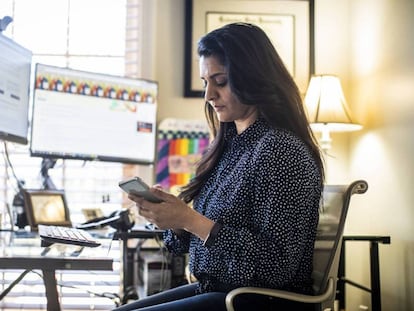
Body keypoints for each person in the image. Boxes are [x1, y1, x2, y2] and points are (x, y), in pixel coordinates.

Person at [113, 22, 324, 311]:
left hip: (257, 301)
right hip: (221, 291)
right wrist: (174, 220)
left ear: (254, 79)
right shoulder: (232, 148)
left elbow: (277, 265)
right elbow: (198, 241)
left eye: (220, 81)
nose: (209, 95)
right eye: (205, 82)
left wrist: (190, 219)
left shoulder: (280, 150)